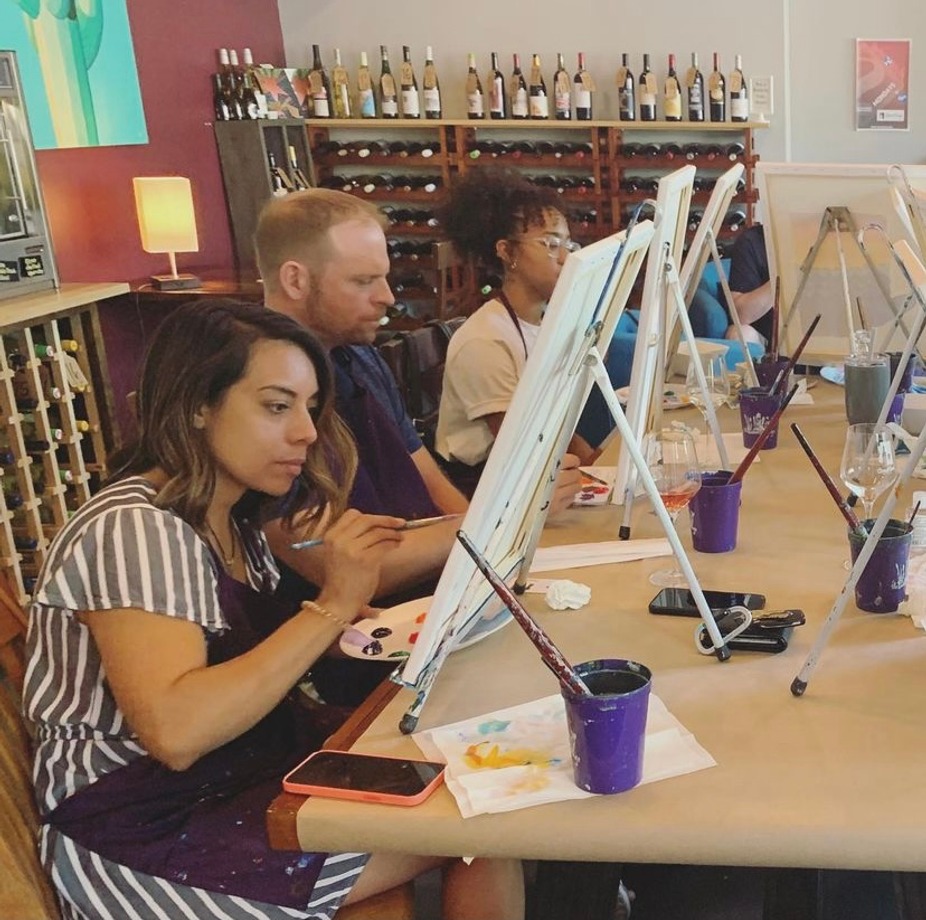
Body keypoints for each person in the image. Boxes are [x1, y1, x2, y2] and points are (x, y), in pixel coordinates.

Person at [23, 300, 524, 920]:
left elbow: (244, 658)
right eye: (276, 406)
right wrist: (332, 605)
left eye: (310, 409)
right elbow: (177, 733)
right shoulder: (133, 528)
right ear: (196, 405)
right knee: (483, 821)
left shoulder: (232, 517)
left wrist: (350, 621)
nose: (307, 433)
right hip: (144, 827)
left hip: (239, 773)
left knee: (483, 794)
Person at [255, 188, 581, 600]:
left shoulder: (361, 357)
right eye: (363, 281)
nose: (388, 297)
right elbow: (350, 574)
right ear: (295, 280)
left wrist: (495, 538)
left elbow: (429, 481)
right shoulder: (257, 395)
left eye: (384, 277)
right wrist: (508, 516)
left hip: (441, 587)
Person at [434, 168, 598, 496]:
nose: (566, 258)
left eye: (568, 244)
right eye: (551, 244)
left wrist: (598, 462)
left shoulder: (544, 324)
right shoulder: (484, 341)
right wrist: (595, 469)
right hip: (484, 489)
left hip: (526, 473)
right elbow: (521, 441)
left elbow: (554, 425)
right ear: (507, 252)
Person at [725, 223, 774, 347]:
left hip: (817, 336)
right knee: (739, 334)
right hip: (768, 340)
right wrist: (784, 275)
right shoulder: (751, 241)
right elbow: (740, 315)